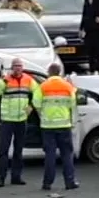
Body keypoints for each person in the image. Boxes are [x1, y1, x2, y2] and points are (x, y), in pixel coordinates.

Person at [36, 63, 80, 191]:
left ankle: (47, 183)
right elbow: (73, 103)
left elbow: (36, 103)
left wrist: (43, 113)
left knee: (50, 155)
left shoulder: (43, 86)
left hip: (47, 126)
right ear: (59, 72)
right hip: (64, 125)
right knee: (66, 155)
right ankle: (69, 182)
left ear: (49, 72)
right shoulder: (67, 86)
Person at [0, 58, 37, 187]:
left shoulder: (28, 79)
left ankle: (16, 177)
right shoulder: (5, 79)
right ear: (12, 67)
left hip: (21, 120)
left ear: (22, 67)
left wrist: (31, 106)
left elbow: (38, 92)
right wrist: (3, 81)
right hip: (7, 120)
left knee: (19, 150)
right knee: (3, 151)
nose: (18, 68)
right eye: (16, 66)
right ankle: (1, 178)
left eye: (20, 66)